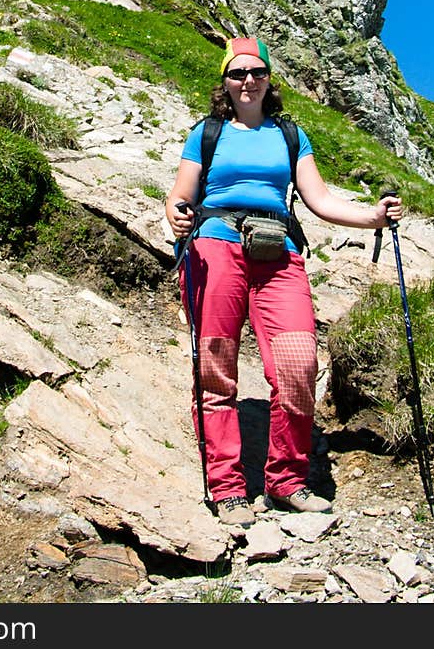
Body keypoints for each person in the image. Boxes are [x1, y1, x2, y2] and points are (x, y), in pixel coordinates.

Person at [165, 35, 402, 528]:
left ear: (269, 78)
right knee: (215, 369)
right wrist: (176, 215)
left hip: (280, 252)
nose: (247, 80)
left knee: (298, 365)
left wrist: (373, 218)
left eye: (256, 72)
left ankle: (287, 480)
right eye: (237, 73)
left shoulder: (290, 134)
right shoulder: (205, 133)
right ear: (225, 82)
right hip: (215, 245)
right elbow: (180, 195)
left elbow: (319, 199)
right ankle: (227, 487)